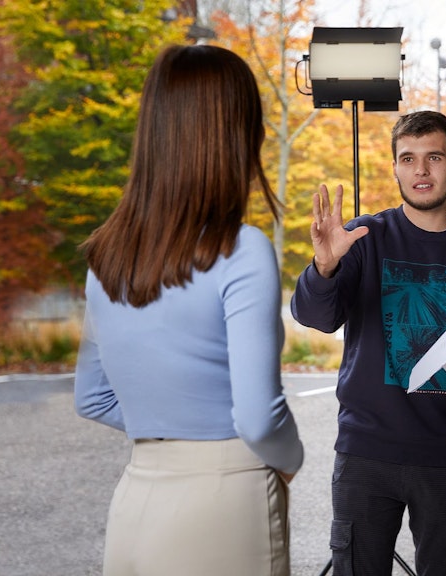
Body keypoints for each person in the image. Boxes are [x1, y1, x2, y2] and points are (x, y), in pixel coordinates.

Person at [73, 45, 304, 576]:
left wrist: (169, 426)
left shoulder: (106, 256)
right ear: (235, 135)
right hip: (225, 502)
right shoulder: (241, 250)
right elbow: (257, 417)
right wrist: (290, 461)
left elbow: (92, 398)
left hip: (136, 500)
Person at [291, 110, 446, 576]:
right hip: (365, 453)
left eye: (434, 157)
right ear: (395, 167)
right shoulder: (362, 238)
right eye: (408, 158)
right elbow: (314, 316)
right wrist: (322, 268)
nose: (421, 170)